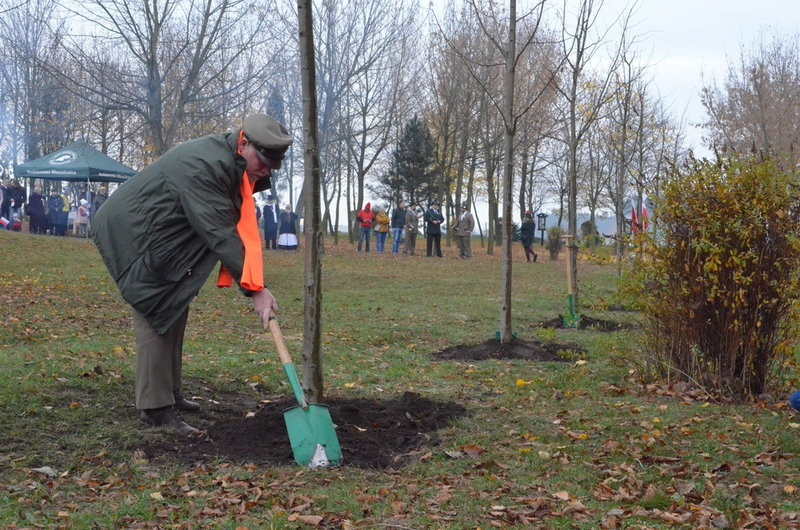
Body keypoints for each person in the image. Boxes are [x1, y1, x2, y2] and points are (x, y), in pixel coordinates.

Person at [91, 113, 291, 435]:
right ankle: (155, 408)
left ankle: (170, 392)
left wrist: (256, 283)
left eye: (273, 166)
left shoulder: (231, 164)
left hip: (164, 234)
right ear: (243, 143)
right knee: (154, 308)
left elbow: (231, 223)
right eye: (263, 161)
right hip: (136, 234)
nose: (267, 171)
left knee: (175, 304)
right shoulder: (206, 165)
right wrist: (255, 289)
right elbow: (219, 230)